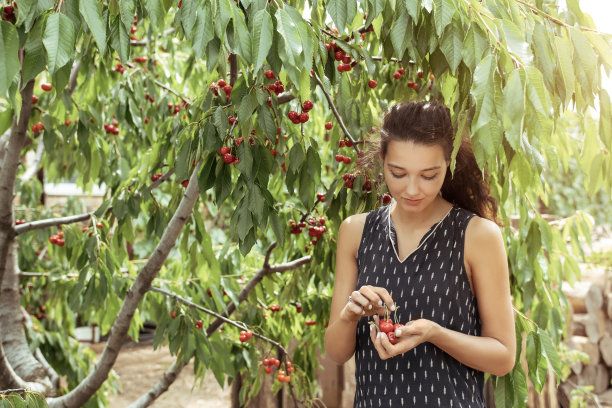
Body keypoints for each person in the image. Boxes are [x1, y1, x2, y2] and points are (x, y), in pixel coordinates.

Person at [324, 100, 516, 407]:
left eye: (428, 175)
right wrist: (350, 314)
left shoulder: (477, 235)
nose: (412, 189)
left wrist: (434, 334)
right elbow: (335, 352)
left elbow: (503, 357)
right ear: (382, 160)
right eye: (398, 173)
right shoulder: (355, 231)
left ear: (449, 165)